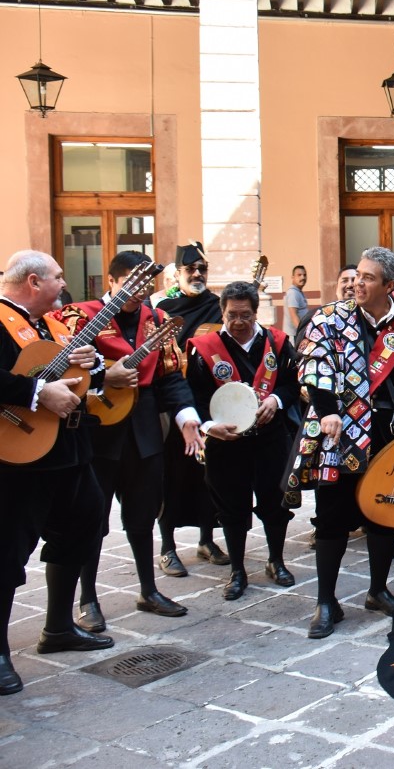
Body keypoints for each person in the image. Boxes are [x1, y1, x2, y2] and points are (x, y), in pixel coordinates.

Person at [287, 247, 394, 639]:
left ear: (390, 285)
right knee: (331, 516)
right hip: (338, 432)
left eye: (368, 278)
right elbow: (314, 365)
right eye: (357, 276)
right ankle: (325, 601)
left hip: (387, 434)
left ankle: (377, 591)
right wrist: (326, 410)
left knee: (383, 513)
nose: (357, 283)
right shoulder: (329, 319)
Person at [62, 251, 204, 629]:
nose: (139, 292)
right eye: (130, 284)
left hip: (143, 429)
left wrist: (186, 417)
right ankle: (88, 599)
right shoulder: (81, 316)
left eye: (144, 286)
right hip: (98, 428)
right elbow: (63, 368)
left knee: (143, 513)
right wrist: (102, 377)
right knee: (91, 517)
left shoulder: (156, 320)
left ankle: (148, 590)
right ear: (111, 281)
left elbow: (170, 376)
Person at [1, 250, 112, 695]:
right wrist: (36, 391)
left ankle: (59, 627)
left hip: (69, 450)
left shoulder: (55, 325)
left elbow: (85, 383)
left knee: (86, 525)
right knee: (7, 550)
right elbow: (33, 384)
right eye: (58, 277)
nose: (64, 285)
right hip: (17, 456)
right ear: (33, 281)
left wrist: (92, 365)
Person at [187, 280, 301, 601]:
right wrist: (210, 426)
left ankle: (276, 560)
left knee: (275, 502)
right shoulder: (204, 349)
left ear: (256, 313)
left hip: (271, 438)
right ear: (222, 312)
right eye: (232, 315)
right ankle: (237, 570)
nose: (238, 322)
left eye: (245, 315)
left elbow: (293, 384)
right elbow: (194, 395)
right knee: (231, 506)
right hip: (226, 442)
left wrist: (276, 400)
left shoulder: (277, 343)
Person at [156, 241, 229, 576]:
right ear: (177, 273)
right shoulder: (164, 309)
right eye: (191, 269)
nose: (198, 274)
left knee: (209, 476)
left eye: (203, 269)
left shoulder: (217, 305)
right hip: (175, 404)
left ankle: (207, 539)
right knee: (172, 476)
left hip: (208, 400)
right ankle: (167, 547)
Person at [283, 265, 308, 337]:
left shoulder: (298, 292)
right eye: (299, 275)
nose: (303, 277)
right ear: (293, 277)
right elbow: (294, 315)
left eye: (304, 275)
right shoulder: (293, 293)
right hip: (294, 335)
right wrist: (303, 334)